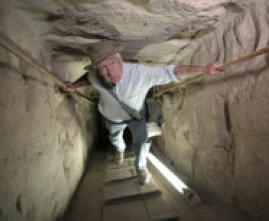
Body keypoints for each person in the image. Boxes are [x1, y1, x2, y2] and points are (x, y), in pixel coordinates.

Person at [64, 40, 223, 185]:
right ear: (97, 71)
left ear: (120, 59)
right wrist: (74, 85)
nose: (110, 72)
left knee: (142, 142)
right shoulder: (94, 75)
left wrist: (203, 69)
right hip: (111, 117)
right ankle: (119, 150)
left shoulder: (139, 73)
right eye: (103, 68)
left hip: (136, 116)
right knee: (115, 138)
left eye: (112, 63)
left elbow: (170, 72)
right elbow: (88, 78)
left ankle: (141, 167)